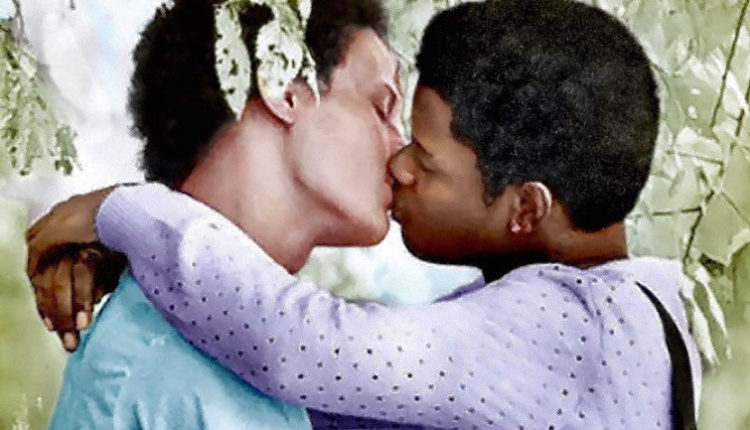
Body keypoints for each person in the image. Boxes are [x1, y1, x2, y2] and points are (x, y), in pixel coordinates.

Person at [28, 1, 702, 429]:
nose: (398, 159)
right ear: (283, 90)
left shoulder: (579, 328)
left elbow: (302, 344)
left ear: (526, 206)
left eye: (424, 158)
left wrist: (121, 211)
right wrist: (146, 259)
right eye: (384, 108)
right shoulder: (628, 318)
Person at [26, 0, 406, 428]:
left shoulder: (249, 352)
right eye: (382, 107)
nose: (402, 150)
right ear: (283, 85)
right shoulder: (156, 369)